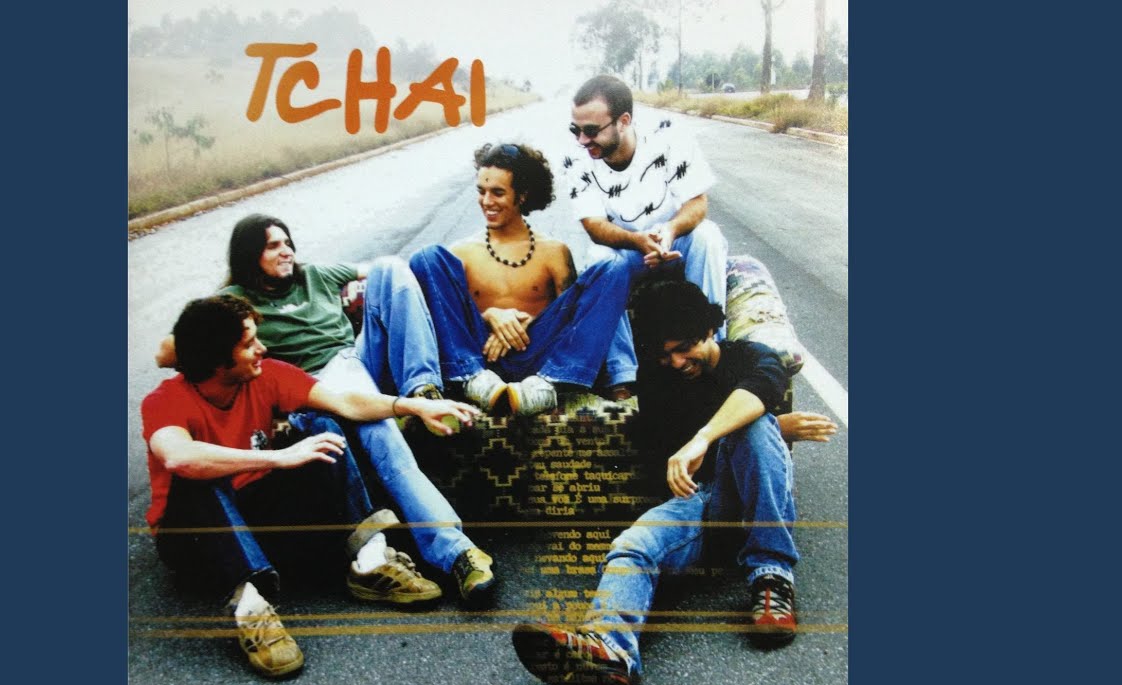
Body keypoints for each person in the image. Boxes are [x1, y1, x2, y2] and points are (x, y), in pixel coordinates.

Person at [155, 214, 498, 608]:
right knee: (379, 432)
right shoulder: (236, 300)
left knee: (390, 267)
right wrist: (219, 329)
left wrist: (485, 308)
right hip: (305, 387)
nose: (286, 251)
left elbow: (389, 279)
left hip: (351, 363)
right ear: (249, 255)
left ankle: (422, 386)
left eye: (287, 242)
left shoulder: (316, 275)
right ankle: (453, 552)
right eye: (272, 246)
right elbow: (167, 353)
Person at [512, 279, 830, 685]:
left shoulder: (751, 356)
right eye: (665, 354)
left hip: (751, 496)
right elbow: (674, 442)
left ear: (709, 330)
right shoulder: (657, 377)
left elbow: (759, 391)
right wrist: (765, 430)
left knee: (754, 425)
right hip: (698, 499)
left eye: (685, 347)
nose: (677, 362)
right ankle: (610, 649)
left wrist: (707, 437)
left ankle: (772, 577)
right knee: (632, 545)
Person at [142, 295, 482, 677]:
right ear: (218, 361)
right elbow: (178, 457)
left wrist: (412, 406)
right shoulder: (165, 401)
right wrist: (278, 458)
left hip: (255, 515)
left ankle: (369, 561)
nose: (262, 348)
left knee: (324, 429)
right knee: (196, 478)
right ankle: (252, 609)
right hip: (195, 542)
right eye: (249, 344)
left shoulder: (266, 375)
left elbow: (344, 402)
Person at [409, 142, 637, 416]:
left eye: (498, 193)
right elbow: (454, 320)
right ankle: (470, 378)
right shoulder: (461, 252)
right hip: (482, 360)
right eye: (481, 191)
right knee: (426, 257)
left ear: (523, 195)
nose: (486, 201)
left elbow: (572, 321)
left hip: (539, 362)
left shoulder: (553, 251)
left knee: (614, 266)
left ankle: (553, 383)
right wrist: (490, 316)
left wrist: (528, 321)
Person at [564, 73, 731, 338]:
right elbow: (594, 225)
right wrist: (637, 241)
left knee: (707, 237)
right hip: (628, 251)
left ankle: (712, 343)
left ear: (623, 121)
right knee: (599, 259)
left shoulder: (669, 135)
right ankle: (620, 363)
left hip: (674, 244)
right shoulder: (576, 159)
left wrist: (671, 230)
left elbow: (697, 202)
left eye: (592, 131)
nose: (582, 140)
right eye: (576, 130)